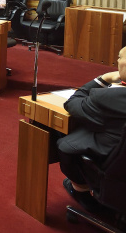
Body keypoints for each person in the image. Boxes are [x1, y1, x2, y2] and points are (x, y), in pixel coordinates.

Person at [57, 47, 126, 211]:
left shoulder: (108, 99)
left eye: (120, 57)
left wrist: (104, 78)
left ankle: (84, 193)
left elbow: (73, 103)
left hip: (117, 174)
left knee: (64, 143)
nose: (117, 61)